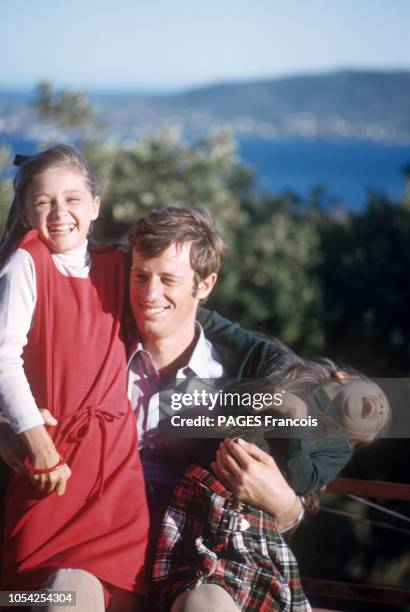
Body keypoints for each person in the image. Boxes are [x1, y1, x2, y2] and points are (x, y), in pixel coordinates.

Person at [0, 146, 150, 611]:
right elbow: (2, 358)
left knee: (116, 596)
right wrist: (39, 447)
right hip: (54, 464)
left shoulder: (117, 264)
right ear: (25, 212)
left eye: (72, 199)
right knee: (32, 592)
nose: (60, 213)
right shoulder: (26, 263)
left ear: (96, 205)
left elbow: (183, 314)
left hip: (115, 472)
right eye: (43, 202)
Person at [152, 358, 390, 611]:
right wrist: (256, 399)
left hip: (254, 517)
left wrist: (295, 417)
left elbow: (303, 480)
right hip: (203, 490)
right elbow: (228, 406)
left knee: (251, 584)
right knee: (195, 577)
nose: (381, 409)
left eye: (380, 420)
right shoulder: (291, 378)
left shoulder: (339, 446)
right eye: (380, 397)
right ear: (345, 377)